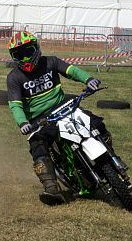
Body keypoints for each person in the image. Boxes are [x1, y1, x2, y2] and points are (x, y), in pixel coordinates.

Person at [6, 31, 108, 205]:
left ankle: (108, 161)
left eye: (27, 51)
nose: (24, 57)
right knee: (37, 144)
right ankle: (51, 189)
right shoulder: (14, 77)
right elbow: (16, 104)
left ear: (36, 48)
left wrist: (88, 79)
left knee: (95, 123)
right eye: (19, 54)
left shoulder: (50, 62)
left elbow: (72, 71)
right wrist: (22, 122)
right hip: (40, 120)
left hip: (64, 107)